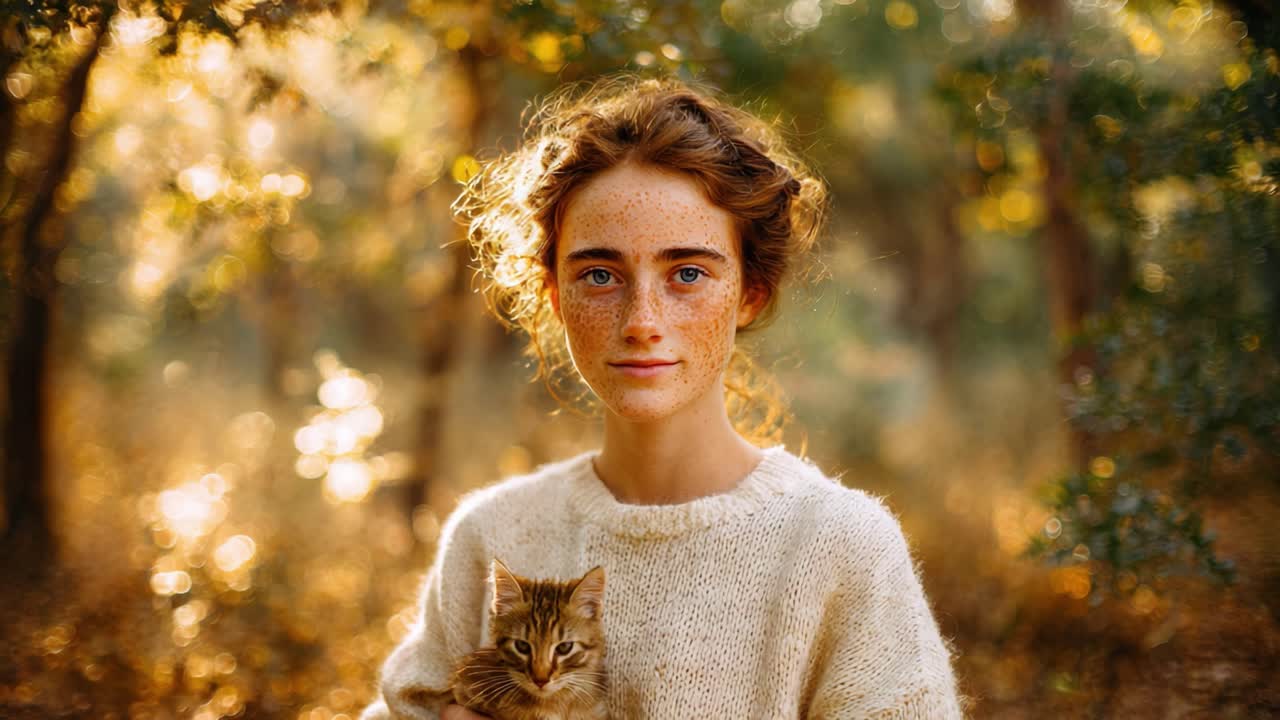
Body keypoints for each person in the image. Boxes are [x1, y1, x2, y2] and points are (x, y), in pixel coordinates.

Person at [359, 74, 966, 719]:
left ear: (750, 293)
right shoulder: (491, 535)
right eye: (600, 274)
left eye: (688, 273)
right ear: (555, 295)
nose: (641, 320)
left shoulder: (843, 546)